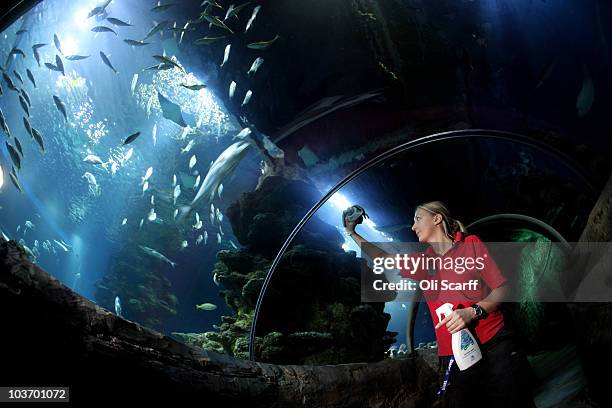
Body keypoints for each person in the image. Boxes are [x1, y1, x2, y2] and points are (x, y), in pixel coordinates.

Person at [344, 200, 537, 408]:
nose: (412, 226)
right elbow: (383, 257)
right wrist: (352, 233)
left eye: (418, 219)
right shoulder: (424, 263)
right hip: (454, 355)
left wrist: (473, 312)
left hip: (496, 344)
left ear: (436, 218)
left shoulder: (471, 244)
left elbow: (502, 289)